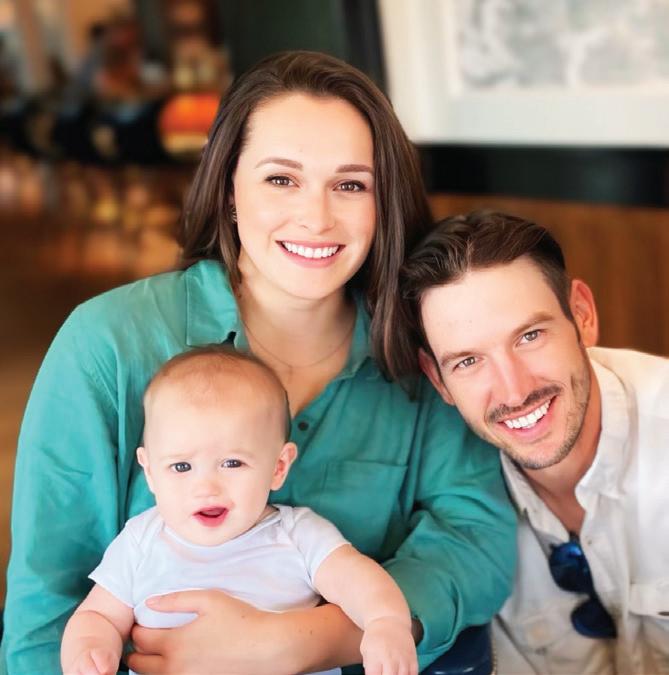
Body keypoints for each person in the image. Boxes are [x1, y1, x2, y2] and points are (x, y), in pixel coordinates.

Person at [2, 52, 515, 675]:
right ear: (229, 189)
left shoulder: (422, 348)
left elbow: (473, 539)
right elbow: (48, 599)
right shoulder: (106, 343)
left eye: (351, 185)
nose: (317, 217)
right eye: (281, 179)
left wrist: (311, 639)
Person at [384, 210, 669, 674]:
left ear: (582, 315)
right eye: (468, 361)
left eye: (530, 336)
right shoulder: (460, 505)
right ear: (437, 379)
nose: (514, 391)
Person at [61, 346, 417, 675]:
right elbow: (98, 615)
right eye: (181, 467)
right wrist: (90, 649)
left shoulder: (298, 535)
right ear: (150, 471)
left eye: (232, 463)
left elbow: (360, 582)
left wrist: (385, 623)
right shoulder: (141, 541)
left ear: (278, 466)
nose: (206, 487)